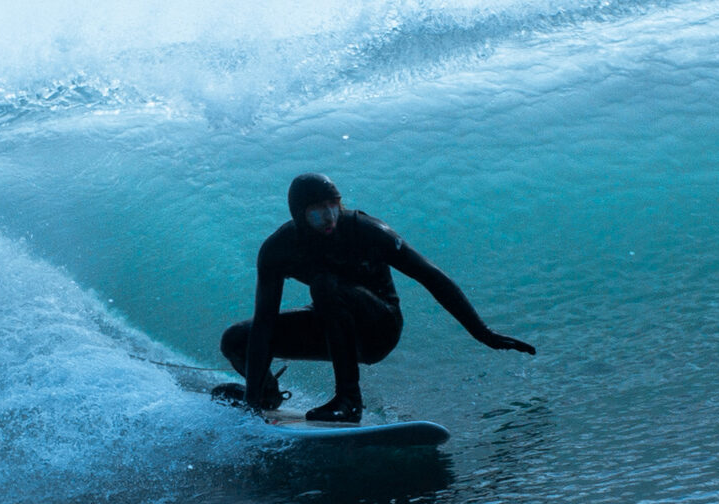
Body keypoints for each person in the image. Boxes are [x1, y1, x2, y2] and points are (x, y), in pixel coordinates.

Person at [214, 173, 535, 422]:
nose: (328, 218)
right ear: (299, 215)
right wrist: (252, 402)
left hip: (378, 327)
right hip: (331, 324)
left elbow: (432, 277)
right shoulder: (278, 250)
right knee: (236, 339)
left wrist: (484, 334)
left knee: (324, 285)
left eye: (333, 207)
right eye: (317, 212)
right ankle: (267, 397)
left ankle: (349, 400)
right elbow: (265, 325)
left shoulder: (367, 231)